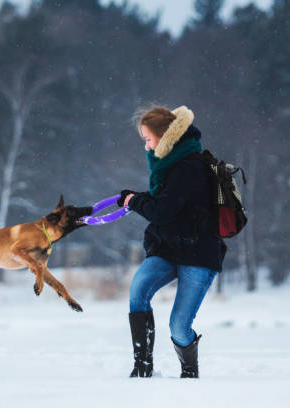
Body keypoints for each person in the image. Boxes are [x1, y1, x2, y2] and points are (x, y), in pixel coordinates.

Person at [118, 105, 226, 378]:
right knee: (139, 290)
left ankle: (189, 373)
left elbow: (163, 210)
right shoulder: (169, 162)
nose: (146, 146)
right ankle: (142, 367)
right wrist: (134, 198)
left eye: (148, 139)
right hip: (168, 248)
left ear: (165, 136)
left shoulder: (190, 166)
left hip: (198, 253)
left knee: (179, 326)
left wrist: (136, 201)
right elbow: (166, 200)